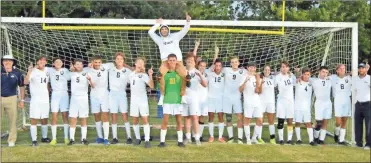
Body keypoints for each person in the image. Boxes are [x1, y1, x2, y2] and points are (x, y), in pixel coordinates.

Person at [149, 12, 191, 100]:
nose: (164, 30)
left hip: (177, 61)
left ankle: (182, 96)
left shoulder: (175, 36)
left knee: (185, 76)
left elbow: (185, 30)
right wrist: (158, 24)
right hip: (166, 62)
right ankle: (163, 96)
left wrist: (188, 21)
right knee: (160, 76)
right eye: (162, 29)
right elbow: (150, 32)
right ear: (160, 31)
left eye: (165, 29)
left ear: (168, 29)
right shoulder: (159, 40)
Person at [158, 54, 186, 148]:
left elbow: (186, 84)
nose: (172, 62)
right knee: (165, 121)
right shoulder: (164, 74)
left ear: (177, 61)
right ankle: (162, 142)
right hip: (167, 100)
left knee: (179, 121)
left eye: (174, 60)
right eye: (170, 60)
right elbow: (160, 87)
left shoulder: (181, 74)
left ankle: (180, 141)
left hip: (178, 100)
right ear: (167, 62)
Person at [24, 55, 51, 146]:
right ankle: (34, 140)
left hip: (45, 99)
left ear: (46, 62)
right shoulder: (33, 71)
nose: (42, 62)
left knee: (44, 118)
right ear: (37, 62)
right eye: (40, 61)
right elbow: (25, 82)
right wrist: (29, 71)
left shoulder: (47, 70)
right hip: (36, 99)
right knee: (34, 118)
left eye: (44, 61)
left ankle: (44, 137)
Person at [108, 52, 133, 144]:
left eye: (121, 59)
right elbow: (98, 65)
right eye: (117, 58)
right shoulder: (110, 69)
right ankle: (115, 138)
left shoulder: (128, 71)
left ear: (124, 60)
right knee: (114, 115)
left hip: (122, 94)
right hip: (112, 94)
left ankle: (129, 137)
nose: (119, 60)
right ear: (115, 60)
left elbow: (135, 73)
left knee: (124, 115)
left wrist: (128, 66)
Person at [182, 54, 207, 146]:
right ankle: (188, 137)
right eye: (188, 59)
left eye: (192, 60)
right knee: (186, 117)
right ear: (185, 61)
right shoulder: (182, 70)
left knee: (195, 117)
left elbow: (205, 85)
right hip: (184, 97)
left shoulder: (197, 72)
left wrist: (200, 76)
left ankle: (197, 138)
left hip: (194, 97)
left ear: (194, 62)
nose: (190, 61)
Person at [129, 57, 154, 148]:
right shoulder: (131, 74)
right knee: (135, 120)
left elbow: (151, 86)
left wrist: (150, 75)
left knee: (145, 119)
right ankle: (138, 138)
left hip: (142, 100)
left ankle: (147, 140)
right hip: (133, 101)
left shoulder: (144, 75)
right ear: (135, 64)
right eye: (139, 62)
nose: (140, 64)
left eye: (142, 63)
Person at [67, 59, 94, 145]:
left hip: (83, 98)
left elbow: (93, 86)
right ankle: (71, 139)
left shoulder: (87, 73)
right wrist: (70, 69)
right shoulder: (71, 74)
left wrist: (90, 80)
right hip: (74, 98)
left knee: (83, 118)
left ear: (83, 65)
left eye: (80, 64)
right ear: (74, 65)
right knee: (73, 118)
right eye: (77, 64)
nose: (79, 66)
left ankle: (84, 139)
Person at [1, 55, 25, 147]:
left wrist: (22, 100)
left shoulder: (17, 73)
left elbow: (22, 87)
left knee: (13, 120)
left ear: (13, 62)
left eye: (9, 61)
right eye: (5, 61)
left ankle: (11, 140)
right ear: (2, 62)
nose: (7, 62)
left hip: (12, 98)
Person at [86, 55, 111, 145]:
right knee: (96, 115)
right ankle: (100, 136)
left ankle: (106, 138)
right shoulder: (88, 71)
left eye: (99, 62)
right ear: (92, 62)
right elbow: (92, 86)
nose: (97, 64)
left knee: (105, 115)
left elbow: (118, 63)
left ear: (101, 62)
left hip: (104, 94)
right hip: (94, 94)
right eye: (95, 62)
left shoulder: (106, 66)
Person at [222, 56, 246, 144]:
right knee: (228, 118)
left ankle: (240, 138)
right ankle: (231, 138)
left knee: (240, 117)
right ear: (230, 63)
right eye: (232, 62)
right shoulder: (226, 70)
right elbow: (214, 68)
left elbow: (253, 72)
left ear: (238, 63)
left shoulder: (243, 71)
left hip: (237, 97)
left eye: (236, 62)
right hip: (227, 97)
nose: (234, 63)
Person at [239, 62, 264, 145]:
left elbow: (258, 91)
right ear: (247, 68)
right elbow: (240, 90)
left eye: (253, 67)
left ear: (255, 69)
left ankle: (254, 138)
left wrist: (258, 80)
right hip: (248, 102)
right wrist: (245, 81)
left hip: (257, 102)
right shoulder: (244, 77)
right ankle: (248, 139)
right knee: (247, 120)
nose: (251, 69)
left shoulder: (258, 78)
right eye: (250, 67)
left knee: (260, 120)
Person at [48, 58, 71, 145]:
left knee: (65, 115)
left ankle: (66, 138)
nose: (58, 63)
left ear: (63, 63)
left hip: (64, 94)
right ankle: (54, 138)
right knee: (54, 115)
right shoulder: (49, 70)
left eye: (60, 62)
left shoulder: (65, 70)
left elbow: (70, 77)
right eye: (56, 62)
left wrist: (72, 69)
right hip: (55, 95)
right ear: (53, 63)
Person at [275, 61, 296, 145]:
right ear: (281, 67)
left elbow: (297, 81)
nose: (284, 68)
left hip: (290, 102)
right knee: (281, 121)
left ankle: (289, 139)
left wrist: (297, 73)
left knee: (290, 121)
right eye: (283, 66)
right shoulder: (277, 77)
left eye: (286, 67)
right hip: (281, 101)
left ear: (288, 68)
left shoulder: (291, 76)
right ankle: (281, 139)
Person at [294, 68, 316, 146]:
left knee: (308, 123)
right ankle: (299, 139)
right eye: (305, 74)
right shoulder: (297, 82)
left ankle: (311, 140)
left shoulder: (312, 82)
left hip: (306, 107)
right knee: (297, 123)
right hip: (297, 107)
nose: (306, 76)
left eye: (308, 75)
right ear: (302, 74)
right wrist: (298, 74)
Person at [331, 64, 352, 145]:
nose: (343, 70)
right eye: (341, 69)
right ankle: (336, 133)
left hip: (347, 100)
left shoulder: (349, 79)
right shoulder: (333, 78)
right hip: (338, 101)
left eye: (344, 68)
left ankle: (341, 140)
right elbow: (322, 78)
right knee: (338, 122)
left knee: (344, 121)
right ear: (337, 70)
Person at [207, 58, 226, 143]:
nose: (218, 67)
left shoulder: (224, 75)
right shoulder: (209, 74)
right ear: (214, 66)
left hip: (220, 99)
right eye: (216, 65)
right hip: (210, 98)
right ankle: (211, 136)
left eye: (219, 66)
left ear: (221, 67)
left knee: (220, 116)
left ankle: (220, 137)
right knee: (211, 116)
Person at [312, 66, 332, 145]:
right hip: (319, 103)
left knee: (325, 122)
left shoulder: (330, 81)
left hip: (328, 103)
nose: (325, 74)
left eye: (326, 72)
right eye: (323, 72)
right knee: (318, 122)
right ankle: (316, 137)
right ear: (319, 72)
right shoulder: (314, 81)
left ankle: (321, 139)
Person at [354, 63, 370, 149]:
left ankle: (368, 144)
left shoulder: (369, 78)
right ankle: (358, 143)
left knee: (369, 125)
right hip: (358, 104)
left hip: (368, 104)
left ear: (366, 69)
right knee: (358, 124)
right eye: (359, 68)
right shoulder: (355, 79)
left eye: (362, 68)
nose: (361, 70)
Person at [260, 65, 276, 144]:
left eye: (268, 70)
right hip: (262, 102)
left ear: (270, 71)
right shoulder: (260, 78)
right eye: (265, 70)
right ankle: (258, 138)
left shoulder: (273, 79)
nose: (267, 71)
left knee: (271, 121)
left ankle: (272, 138)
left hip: (271, 102)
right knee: (260, 120)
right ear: (263, 70)